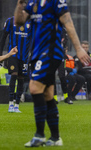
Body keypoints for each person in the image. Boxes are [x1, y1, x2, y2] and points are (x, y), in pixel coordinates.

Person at [14, 0, 90, 147]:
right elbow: (19, 21)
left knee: (34, 88)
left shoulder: (57, 2)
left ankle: (39, 135)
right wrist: (19, 5)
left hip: (50, 52)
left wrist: (79, 48)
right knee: (47, 95)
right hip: (36, 54)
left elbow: (68, 24)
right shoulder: (33, 3)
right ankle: (55, 138)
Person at [0, 0, 31, 113]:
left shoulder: (30, 22)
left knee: (21, 79)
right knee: (14, 75)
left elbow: (33, 40)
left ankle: (17, 105)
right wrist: (0, 54)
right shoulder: (10, 21)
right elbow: (3, 37)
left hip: (25, 56)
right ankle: (10, 104)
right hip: (13, 54)